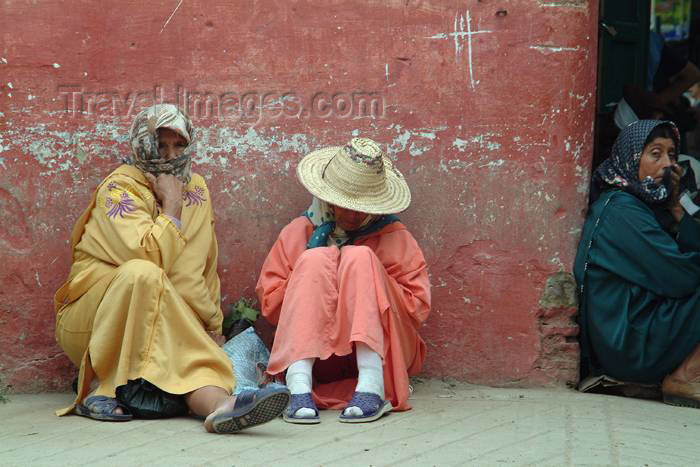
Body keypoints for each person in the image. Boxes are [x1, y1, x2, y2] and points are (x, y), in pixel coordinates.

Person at [54, 104, 290, 432]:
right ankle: (100, 387)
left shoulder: (196, 190)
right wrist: (172, 207)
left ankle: (222, 408)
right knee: (142, 273)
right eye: (160, 145)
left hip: (162, 319)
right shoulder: (119, 188)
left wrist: (210, 327)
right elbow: (150, 257)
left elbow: (196, 270)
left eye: (179, 145)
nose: (169, 155)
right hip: (94, 324)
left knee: (188, 362)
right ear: (142, 144)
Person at [256, 137, 431, 423]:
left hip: (384, 351)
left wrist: (366, 275)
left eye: (362, 206)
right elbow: (272, 306)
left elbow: (416, 310)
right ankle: (298, 383)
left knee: (359, 258)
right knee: (314, 260)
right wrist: (315, 271)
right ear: (328, 197)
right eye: (344, 204)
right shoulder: (300, 232)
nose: (351, 214)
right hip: (315, 356)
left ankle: (371, 383)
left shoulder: (395, 236)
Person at [574, 119, 700, 408]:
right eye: (655, 154)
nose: (667, 164)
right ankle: (686, 377)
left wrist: (678, 210)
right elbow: (681, 279)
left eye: (671, 155)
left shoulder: (637, 206)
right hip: (628, 348)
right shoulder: (623, 211)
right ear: (631, 157)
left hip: (633, 333)